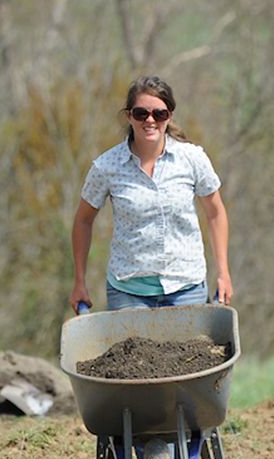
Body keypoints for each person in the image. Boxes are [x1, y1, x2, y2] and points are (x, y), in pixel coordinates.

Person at [68, 75, 233, 312]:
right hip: (128, 292)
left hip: (186, 288)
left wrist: (223, 273)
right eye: (141, 113)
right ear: (129, 115)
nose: (150, 120)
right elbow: (83, 220)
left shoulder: (192, 159)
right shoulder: (107, 167)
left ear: (170, 116)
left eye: (159, 114)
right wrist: (79, 281)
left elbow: (216, 213)